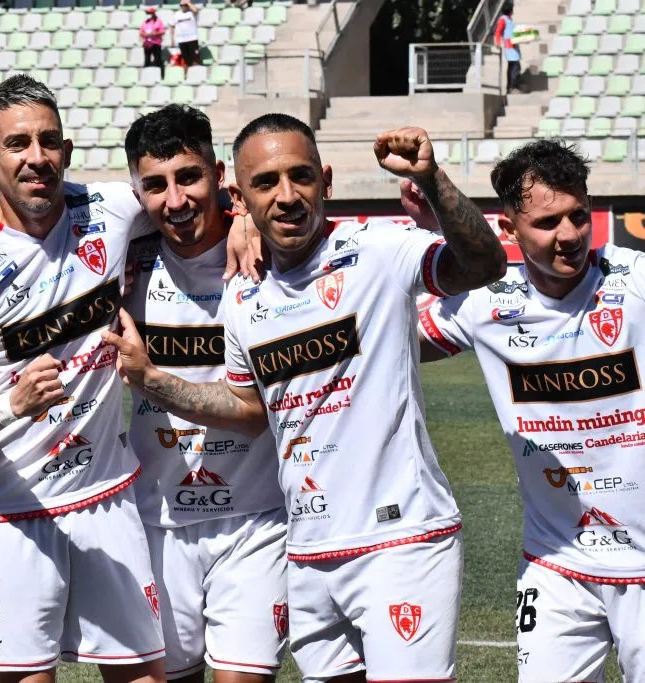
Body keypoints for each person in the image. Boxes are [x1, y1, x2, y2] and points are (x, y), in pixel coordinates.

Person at [104, 114, 508, 683]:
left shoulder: (378, 248)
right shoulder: (243, 293)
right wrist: (149, 379)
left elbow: (484, 265)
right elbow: (247, 406)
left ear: (328, 180)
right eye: (266, 183)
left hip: (392, 536)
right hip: (306, 547)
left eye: (301, 177)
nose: (288, 196)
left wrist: (435, 180)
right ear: (241, 192)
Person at [0, 74, 256, 680]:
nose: (36, 159)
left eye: (48, 141)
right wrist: (10, 404)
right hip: (11, 513)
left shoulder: (107, 208)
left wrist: (243, 219)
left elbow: (184, 198)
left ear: (67, 151)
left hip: (109, 499)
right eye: (17, 144)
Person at [417, 139, 645, 683]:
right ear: (509, 229)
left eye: (577, 216)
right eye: (547, 223)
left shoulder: (635, 280)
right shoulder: (485, 303)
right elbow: (378, 333)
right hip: (556, 566)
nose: (568, 235)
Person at [123, 104, 287, 683]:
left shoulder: (270, 254)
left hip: (256, 518)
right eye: (155, 185)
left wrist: (247, 215)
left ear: (218, 174)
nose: (175, 200)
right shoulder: (126, 259)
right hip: (155, 522)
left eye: (189, 177)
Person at [494, 2, 522, 94]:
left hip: (514, 45)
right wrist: (497, 43)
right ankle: (513, 86)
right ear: (510, 10)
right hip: (509, 46)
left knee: (512, 67)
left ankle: (509, 87)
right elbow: (498, 32)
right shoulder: (503, 19)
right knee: (515, 66)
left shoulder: (510, 20)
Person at [170, 0, 199, 69]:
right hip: (182, 40)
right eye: (181, 5)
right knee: (185, 60)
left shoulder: (191, 13)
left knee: (194, 60)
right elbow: (171, 25)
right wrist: (172, 39)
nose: (183, 6)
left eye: (185, 5)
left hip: (192, 39)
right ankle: (186, 76)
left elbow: (196, 10)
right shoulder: (176, 14)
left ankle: (195, 74)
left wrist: (188, 3)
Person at [140, 7, 166, 79]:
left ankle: (159, 76)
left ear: (153, 13)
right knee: (147, 60)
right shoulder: (145, 22)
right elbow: (141, 32)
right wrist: (144, 34)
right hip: (147, 43)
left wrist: (156, 33)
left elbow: (163, 31)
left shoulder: (158, 21)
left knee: (157, 60)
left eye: (149, 13)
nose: (148, 14)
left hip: (156, 43)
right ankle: (146, 77)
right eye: (147, 13)